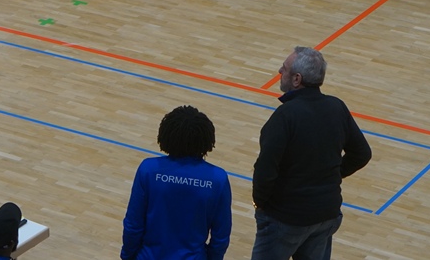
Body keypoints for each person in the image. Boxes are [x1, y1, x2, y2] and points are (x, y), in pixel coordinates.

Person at [251, 46, 371, 260]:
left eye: (284, 68)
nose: (279, 71)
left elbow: (265, 169)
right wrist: (334, 176)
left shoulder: (285, 116)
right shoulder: (337, 107)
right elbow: (361, 153)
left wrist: (260, 203)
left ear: (297, 79)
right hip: (326, 214)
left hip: (287, 217)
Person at [121, 106, 232, 260]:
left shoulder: (148, 170)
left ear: (166, 134)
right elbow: (221, 236)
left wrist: (127, 255)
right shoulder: (218, 179)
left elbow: (133, 224)